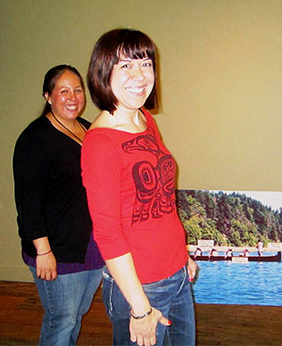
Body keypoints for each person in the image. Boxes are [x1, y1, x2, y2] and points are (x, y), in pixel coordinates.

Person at [81, 28, 197, 346]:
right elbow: (107, 233)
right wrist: (141, 309)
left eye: (146, 64)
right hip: (141, 287)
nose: (139, 75)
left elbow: (161, 199)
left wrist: (181, 253)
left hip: (176, 274)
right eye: (126, 65)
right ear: (103, 73)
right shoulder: (101, 143)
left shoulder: (144, 119)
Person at [13, 65, 105, 346]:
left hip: (89, 244)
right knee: (62, 318)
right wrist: (44, 251)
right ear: (48, 96)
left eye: (77, 90)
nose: (73, 97)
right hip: (56, 249)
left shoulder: (89, 129)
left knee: (76, 314)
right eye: (63, 91)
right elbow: (28, 202)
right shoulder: (35, 139)